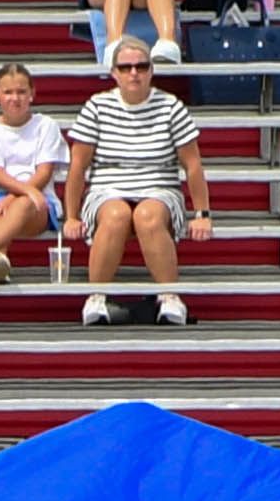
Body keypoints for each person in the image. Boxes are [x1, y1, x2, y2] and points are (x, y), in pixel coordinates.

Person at [64, 41, 213, 329]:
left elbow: (192, 164)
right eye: (126, 67)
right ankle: (96, 297)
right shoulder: (97, 106)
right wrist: (71, 217)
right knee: (116, 215)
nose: (134, 73)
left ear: (151, 70)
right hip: (106, 189)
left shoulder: (171, 106)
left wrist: (202, 214)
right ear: (114, 73)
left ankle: (170, 297)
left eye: (141, 66)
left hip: (160, 187)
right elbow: (78, 166)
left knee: (148, 216)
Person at [0, 61, 68, 284]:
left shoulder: (46, 125)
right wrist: (14, 195)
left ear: (32, 93)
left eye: (21, 91)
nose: (15, 98)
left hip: (36, 199)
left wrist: (16, 196)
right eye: (8, 92)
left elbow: (44, 171)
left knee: (24, 204)